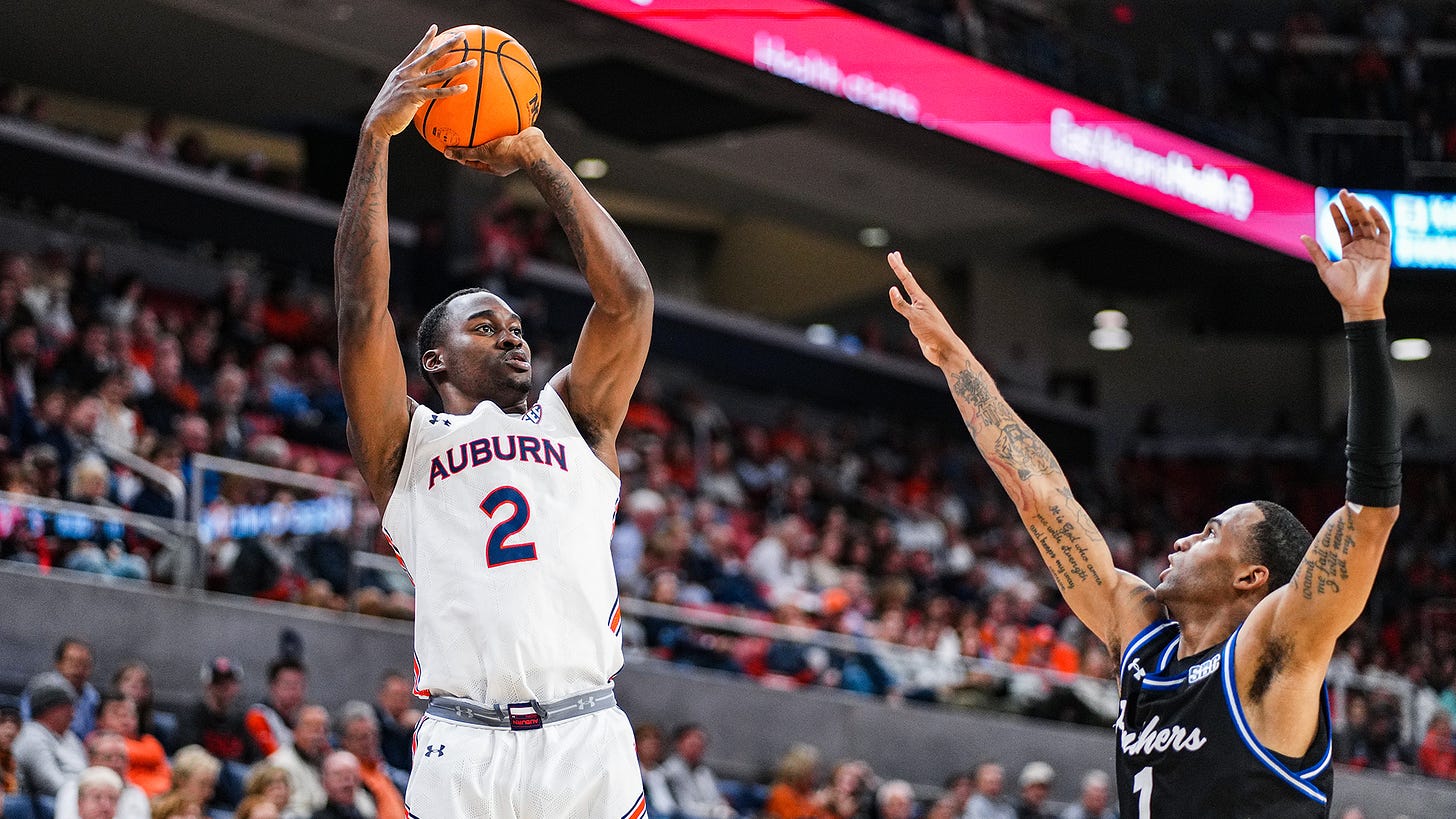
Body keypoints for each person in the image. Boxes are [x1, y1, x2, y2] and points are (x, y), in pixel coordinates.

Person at [887, 189, 1402, 818]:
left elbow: (1368, 517)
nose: (1183, 540)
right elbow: (1041, 496)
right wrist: (955, 361)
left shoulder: (1273, 651)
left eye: (1211, 532)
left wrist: (1366, 317)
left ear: (1252, 576)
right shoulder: (1145, 642)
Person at [335, 25, 654, 819]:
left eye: (514, 324)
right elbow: (359, 310)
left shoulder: (574, 419)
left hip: (586, 736)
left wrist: (542, 159)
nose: (512, 333)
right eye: (484, 326)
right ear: (433, 360)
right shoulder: (404, 446)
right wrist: (375, 139)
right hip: (461, 744)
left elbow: (629, 301)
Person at [13, 680, 86, 797]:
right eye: (68, 709)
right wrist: (86, 798)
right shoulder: (31, 736)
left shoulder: (70, 737)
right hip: (50, 805)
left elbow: (86, 772)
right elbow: (52, 784)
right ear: (50, 710)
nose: (73, 715)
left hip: (81, 799)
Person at [53, 732, 148, 819]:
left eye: (122, 758)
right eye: (108, 757)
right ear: (92, 759)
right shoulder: (72, 788)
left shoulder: (136, 793)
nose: (117, 764)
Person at [334, 702, 405, 819]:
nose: (369, 742)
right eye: (362, 737)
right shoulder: (347, 778)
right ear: (344, 740)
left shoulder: (384, 771)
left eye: (373, 734)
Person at [22, 638, 100, 739]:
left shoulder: (92, 696)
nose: (79, 668)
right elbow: (27, 723)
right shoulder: (42, 687)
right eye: (72, 662)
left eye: (84, 664)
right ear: (58, 664)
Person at [661, 723, 737, 819]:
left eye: (699, 745)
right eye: (692, 744)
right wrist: (713, 811)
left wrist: (722, 807)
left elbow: (715, 798)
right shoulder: (669, 771)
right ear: (679, 744)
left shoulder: (705, 772)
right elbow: (682, 807)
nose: (696, 749)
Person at [245, 658, 308, 758]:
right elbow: (274, 757)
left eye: (299, 685)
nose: (294, 691)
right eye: (288, 685)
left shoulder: (303, 717)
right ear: (273, 686)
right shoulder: (259, 715)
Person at [310, 752, 365, 819]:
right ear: (324, 782)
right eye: (339, 775)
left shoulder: (366, 813)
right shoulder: (318, 817)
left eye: (353, 775)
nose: (348, 782)